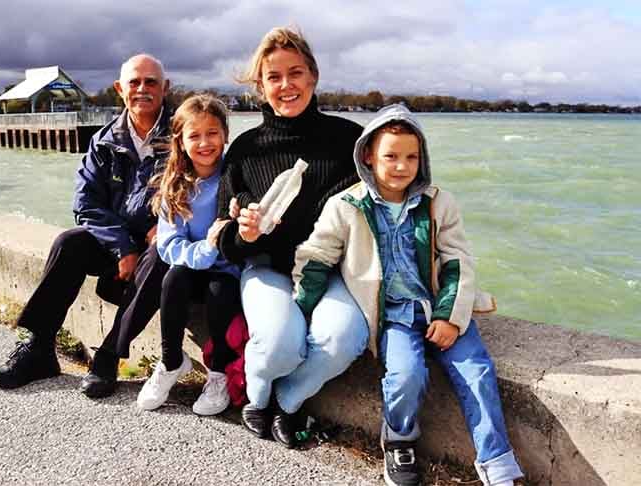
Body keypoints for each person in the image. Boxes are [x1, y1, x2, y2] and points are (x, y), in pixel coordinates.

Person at [292, 104, 523, 486]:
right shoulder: (346, 205)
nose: (402, 166)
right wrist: (300, 308)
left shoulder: (438, 202)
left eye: (411, 157)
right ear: (368, 155)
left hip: (438, 306)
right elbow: (317, 257)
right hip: (393, 316)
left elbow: (457, 261)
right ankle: (398, 440)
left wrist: (449, 316)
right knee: (405, 375)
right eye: (391, 156)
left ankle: (497, 464)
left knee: (477, 372)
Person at [215, 26, 368, 448]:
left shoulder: (351, 141)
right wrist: (244, 234)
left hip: (330, 268)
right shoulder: (245, 149)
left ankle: (288, 399)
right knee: (282, 344)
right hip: (267, 267)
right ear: (261, 87)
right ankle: (256, 396)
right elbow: (222, 237)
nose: (287, 85)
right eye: (274, 77)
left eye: (295, 73)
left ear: (313, 77)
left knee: (343, 338)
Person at [0, 53, 172, 399]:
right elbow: (85, 204)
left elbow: (203, 184)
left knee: (160, 253)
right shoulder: (103, 141)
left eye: (151, 82)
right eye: (134, 82)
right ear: (120, 89)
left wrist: (167, 223)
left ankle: (108, 357)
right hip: (118, 243)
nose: (142, 89)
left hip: (160, 243)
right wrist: (122, 246)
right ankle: (39, 347)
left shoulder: (182, 134)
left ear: (165, 87)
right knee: (68, 243)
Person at [134, 94, 241, 416]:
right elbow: (168, 244)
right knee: (174, 277)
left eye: (212, 133)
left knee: (220, 290)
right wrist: (205, 250)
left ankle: (219, 372)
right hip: (194, 263)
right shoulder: (176, 184)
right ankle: (170, 361)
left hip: (227, 270)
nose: (205, 143)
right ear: (181, 139)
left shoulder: (234, 176)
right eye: (195, 135)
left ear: (225, 135)